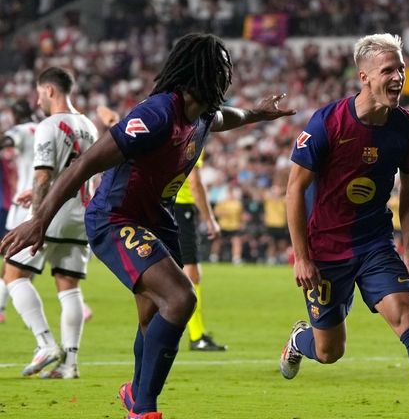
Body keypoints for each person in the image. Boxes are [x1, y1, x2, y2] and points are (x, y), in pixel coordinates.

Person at [0, 33, 295, 419]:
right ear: (196, 72)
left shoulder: (204, 113)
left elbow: (228, 117)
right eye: (220, 66)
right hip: (115, 217)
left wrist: (257, 114)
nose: (227, 74)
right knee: (181, 298)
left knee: (153, 316)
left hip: (158, 219)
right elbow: (85, 163)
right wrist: (40, 219)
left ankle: (135, 395)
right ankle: (144, 410)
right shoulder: (155, 115)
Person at [281, 33, 409, 419]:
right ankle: (299, 341)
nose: (399, 76)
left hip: (374, 244)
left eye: (401, 68)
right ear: (363, 77)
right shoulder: (327, 123)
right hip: (325, 251)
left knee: (407, 315)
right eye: (389, 70)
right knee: (330, 351)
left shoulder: (407, 127)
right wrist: (302, 256)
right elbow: (293, 191)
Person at [2, 69, 99, 379]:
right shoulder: (89, 127)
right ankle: (70, 365)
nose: (38, 99)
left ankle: (45, 343)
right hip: (80, 214)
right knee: (68, 287)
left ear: (50, 90)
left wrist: (37, 219)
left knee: (13, 274)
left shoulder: (48, 125)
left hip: (51, 215)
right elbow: (81, 172)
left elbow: (44, 173)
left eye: (40, 93)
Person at [173, 152, 227, 351]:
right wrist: (210, 219)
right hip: (181, 207)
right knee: (192, 273)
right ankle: (197, 336)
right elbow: (194, 182)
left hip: (163, 203)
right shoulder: (195, 133)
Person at [0, 99, 37, 325]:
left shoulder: (18, 130)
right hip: (41, 203)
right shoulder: (43, 127)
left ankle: (1, 307)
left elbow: (7, 140)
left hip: (22, 203)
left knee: (10, 258)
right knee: (31, 261)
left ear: (15, 114)